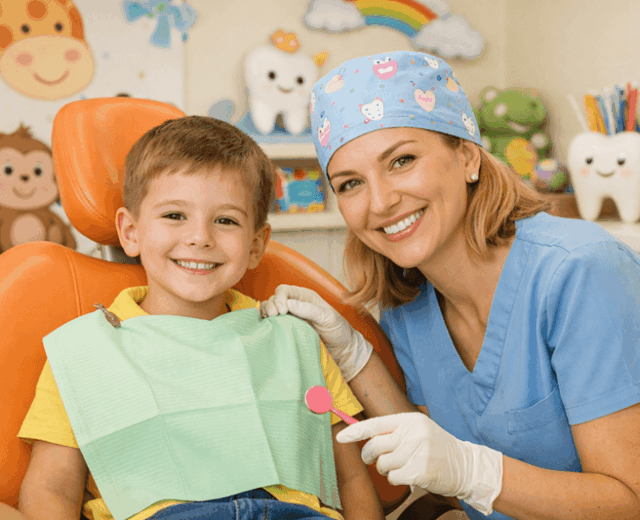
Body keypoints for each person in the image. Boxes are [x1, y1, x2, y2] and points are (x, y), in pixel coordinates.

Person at [260, 51, 640, 519]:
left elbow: (630, 502)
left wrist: (472, 472)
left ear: (467, 156)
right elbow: (434, 459)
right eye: (350, 183)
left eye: (401, 160)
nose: (380, 201)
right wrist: (353, 352)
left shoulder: (579, 272)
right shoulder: (410, 308)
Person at [8, 116, 385, 520]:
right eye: (174, 216)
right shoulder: (82, 353)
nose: (200, 237)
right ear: (131, 231)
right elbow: (52, 486)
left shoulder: (296, 340)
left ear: (256, 244)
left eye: (225, 220)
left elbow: (351, 480)